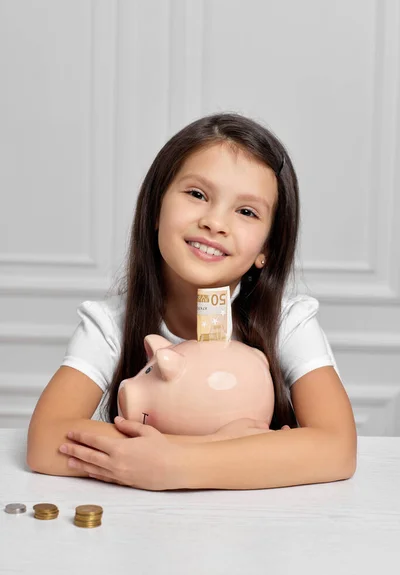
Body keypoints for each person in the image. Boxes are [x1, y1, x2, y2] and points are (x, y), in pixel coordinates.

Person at [27, 112, 357, 491]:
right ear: (155, 209)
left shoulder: (289, 322)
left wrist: (178, 464)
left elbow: (337, 448)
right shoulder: (110, 324)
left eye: (246, 212)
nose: (215, 223)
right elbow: (46, 439)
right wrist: (218, 450)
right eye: (197, 195)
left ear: (267, 248)